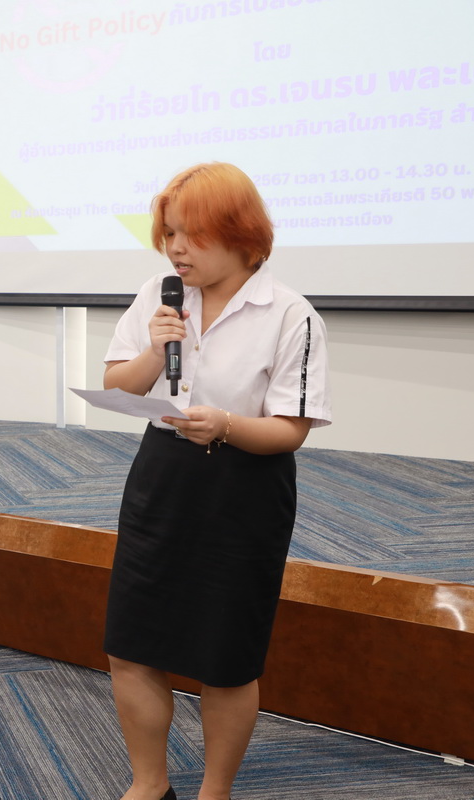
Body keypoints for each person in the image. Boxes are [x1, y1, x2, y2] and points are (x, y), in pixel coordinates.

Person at [100, 162, 331, 800]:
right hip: (162, 477)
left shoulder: (290, 314)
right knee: (131, 644)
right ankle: (149, 784)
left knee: (226, 658)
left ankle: (214, 791)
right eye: (169, 233)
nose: (176, 248)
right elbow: (118, 385)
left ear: (240, 233)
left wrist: (226, 425)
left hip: (244, 487)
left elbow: (291, 429)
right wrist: (155, 350)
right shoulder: (160, 294)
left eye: (192, 235)